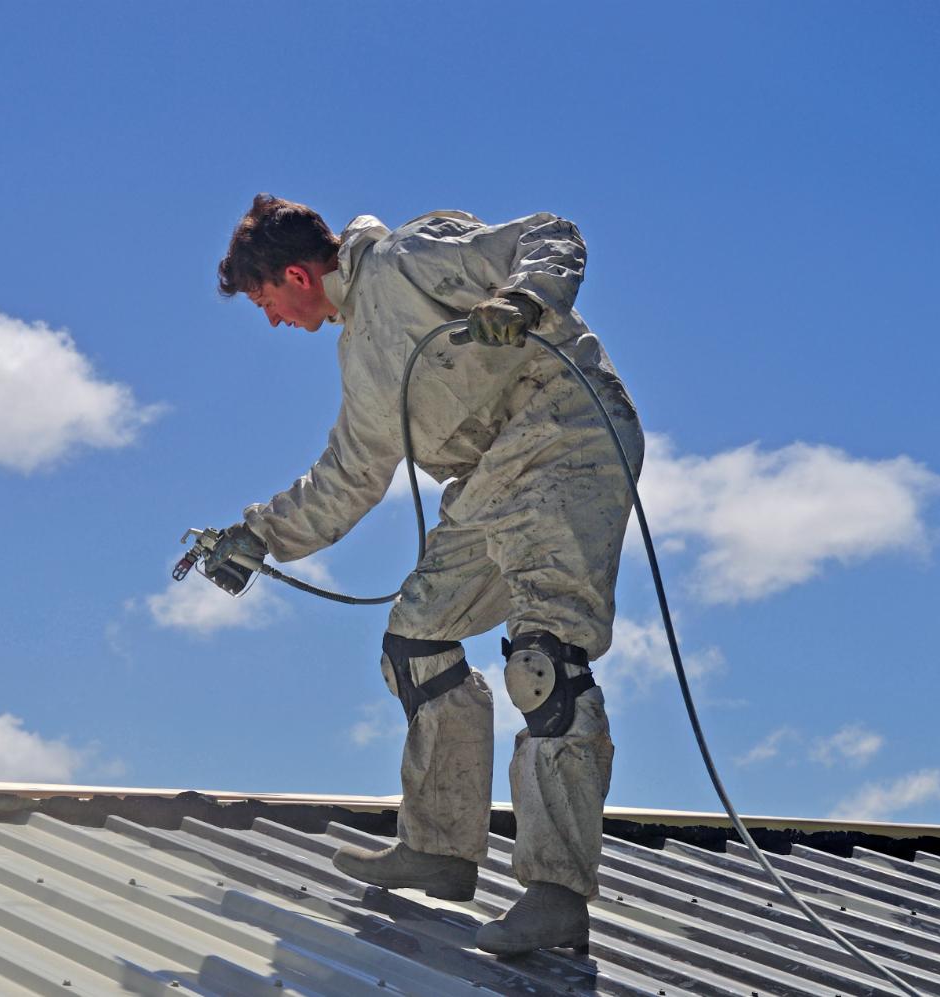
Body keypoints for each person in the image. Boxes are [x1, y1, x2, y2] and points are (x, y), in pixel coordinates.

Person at [207, 194, 644, 957]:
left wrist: (526, 297)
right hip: (488, 483)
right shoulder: (362, 359)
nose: (272, 319)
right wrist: (258, 536)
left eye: (266, 300)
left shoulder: (411, 260)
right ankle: (442, 850)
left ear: (298, 274)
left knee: (545, 662)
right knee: (417, 640)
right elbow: (347, 476)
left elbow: (548, 233)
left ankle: (554, 894)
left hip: (566, 435)